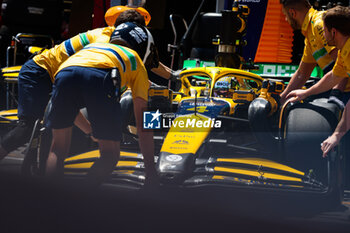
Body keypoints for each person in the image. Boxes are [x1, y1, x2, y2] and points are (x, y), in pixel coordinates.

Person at [0, 8, 178, 162]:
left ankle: (38, 169)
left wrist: (174, 75)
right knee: (27, 128)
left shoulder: (111, 37)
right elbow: (131, 64)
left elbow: (145, 62)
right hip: (41, 71)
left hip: (60, 75)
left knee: (51, 132)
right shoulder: (105, 38)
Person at [45, 22, 158, 187]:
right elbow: (142, 124)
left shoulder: (95, 46)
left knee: (57, 149)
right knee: (110, 154)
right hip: (102, 75)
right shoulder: (137, 63)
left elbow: (72, 109)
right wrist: (151, 171)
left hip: (64, 71)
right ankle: (82, 200)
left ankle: (48, 199)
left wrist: (90, 130)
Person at [279, 0, 349, 106]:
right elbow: (301, 75)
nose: (285, 19)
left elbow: (343, 59)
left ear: (292, 13)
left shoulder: (319, 24)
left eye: (285, 15)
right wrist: (281, 100)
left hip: (344, 93)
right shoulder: (309, 33)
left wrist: (336, 95)